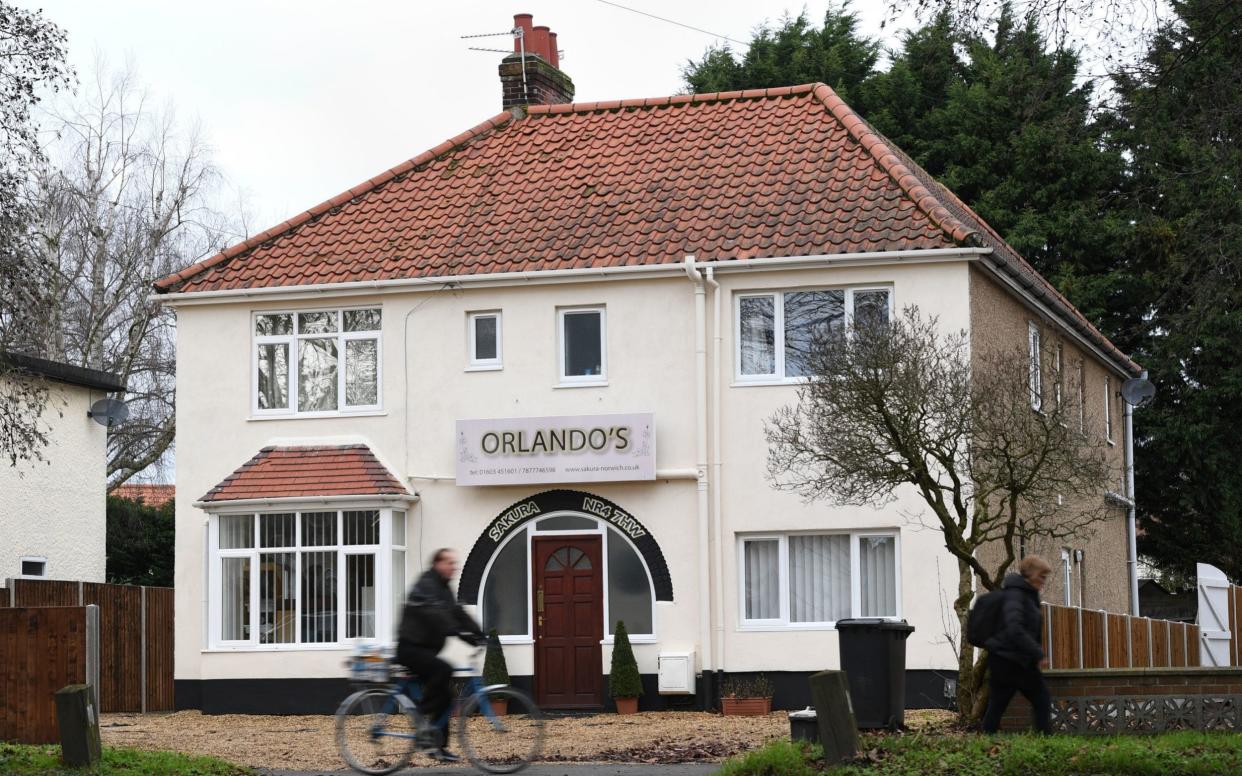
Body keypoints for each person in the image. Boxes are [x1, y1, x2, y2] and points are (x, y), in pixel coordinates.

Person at [396, 548, 485, 762]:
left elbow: (457, 613)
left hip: (425, 650)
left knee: (446, 696)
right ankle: (421, 714)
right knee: (444, 669)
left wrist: (479, 634)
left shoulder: (444, 589)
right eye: (449, 563)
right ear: (437, 564)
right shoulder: (426, 585)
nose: (453, 567)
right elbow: (438, 616)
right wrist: (462, 635)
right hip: (411, 648)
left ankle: (438, 747)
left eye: (454, 563)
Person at [981, 554, 1053, 734]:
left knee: (1001, 705)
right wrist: (1038, 653)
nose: (1043, 581)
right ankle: (1046, 745)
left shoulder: (1027, 594)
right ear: (1030, 574)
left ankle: (985, 742)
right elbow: (1015, 629)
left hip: (1016, 661)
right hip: (1009, 662)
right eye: (1041, 576)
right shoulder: (1016, 595)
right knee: (1039, 700)